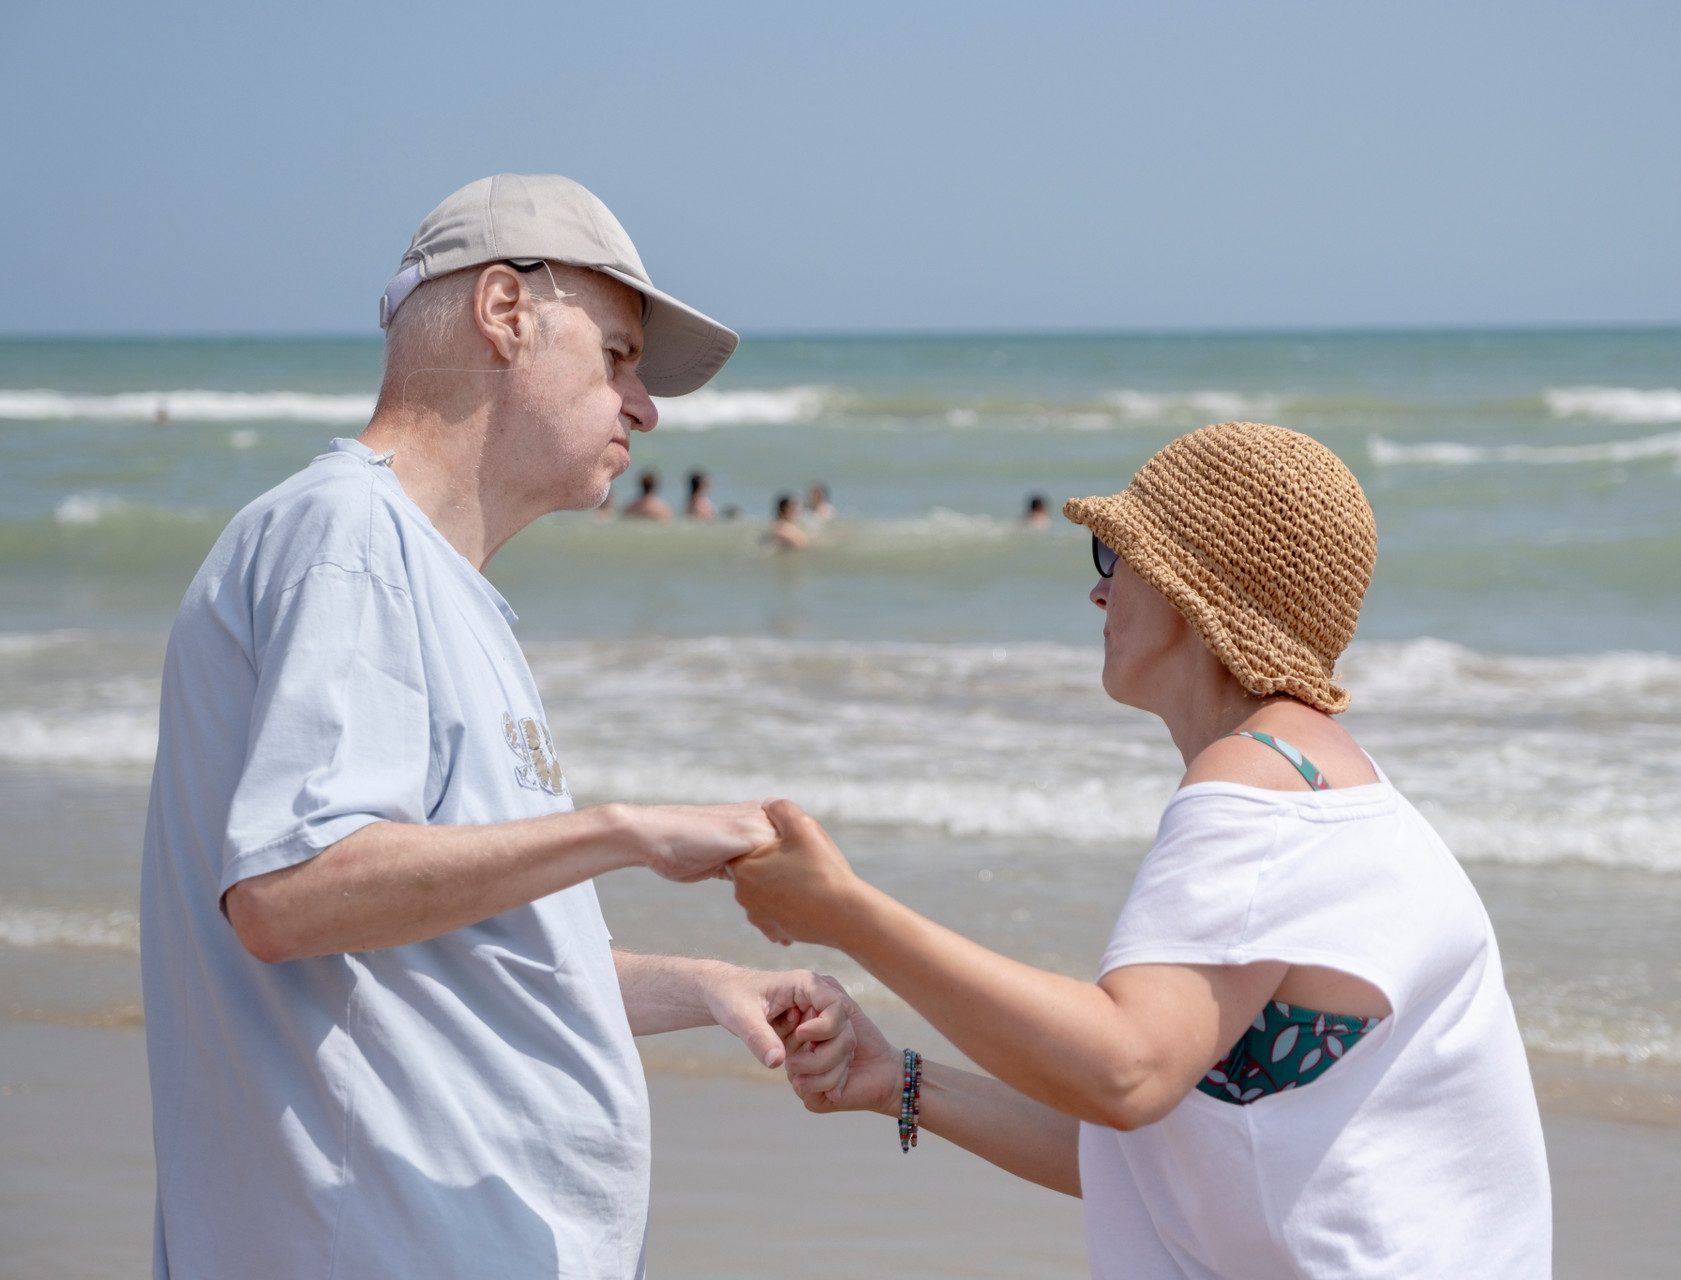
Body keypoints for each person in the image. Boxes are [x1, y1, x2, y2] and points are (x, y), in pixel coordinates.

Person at [139, 173, 853, 1280]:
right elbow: (292, 894)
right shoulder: (350, 537)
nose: (644, 407)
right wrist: (622, 831)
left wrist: (708, 985)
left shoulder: (433, 578)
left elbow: (483, 955)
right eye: (617, 356)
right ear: (507, 311)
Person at [735, 422, 1553, 1278]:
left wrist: (844, 914)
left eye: (1115, 555)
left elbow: (1125, 1074)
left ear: (1193, 587)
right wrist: (899, 1080)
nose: (1099, 591)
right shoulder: (1325, 781)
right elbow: (1155, 1159)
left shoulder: (1256, 782)